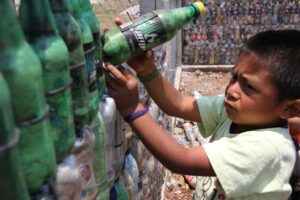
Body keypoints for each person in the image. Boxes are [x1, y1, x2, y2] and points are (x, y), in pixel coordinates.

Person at [104, 29, 300, 199]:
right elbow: (179, 104)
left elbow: (181, 159)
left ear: (289, 109)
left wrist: (132, 108)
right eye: (234, 76)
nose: (232, 90)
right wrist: (146, 69)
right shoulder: (235, 111)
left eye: (249, 86)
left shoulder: (269, 149)